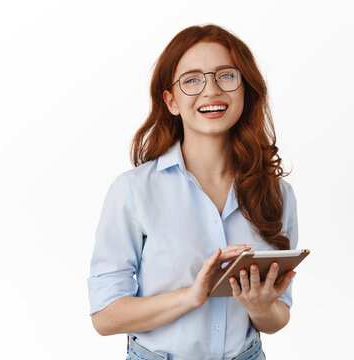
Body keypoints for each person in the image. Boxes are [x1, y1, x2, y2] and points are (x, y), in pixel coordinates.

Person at [87, 24, 298, 360]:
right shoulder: (133, 191)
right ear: (171, 101)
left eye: (226, 76)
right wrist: (191, 296)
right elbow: (104, 316)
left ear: (245, 90)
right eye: (192, 79)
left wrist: (260, 308)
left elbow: (278, 317)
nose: (211, 90)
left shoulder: (275, 193)